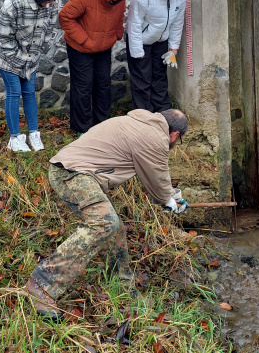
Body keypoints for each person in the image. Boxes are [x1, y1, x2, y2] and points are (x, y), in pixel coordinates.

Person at [24, 107, 189, 320]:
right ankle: (41, 284)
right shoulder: (156, 137)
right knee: (104, 222)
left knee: (115, 228)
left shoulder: (141, 124)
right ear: (175, 135)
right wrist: (169, 201)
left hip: (74, 170)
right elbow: (158, 179)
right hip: (72, 173)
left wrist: (173, 196)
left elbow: (153, 175)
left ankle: (121, 286)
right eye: (179, 141)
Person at [58, 0, 135, 134]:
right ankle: (82, 128)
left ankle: (102, 125)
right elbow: (65, 17)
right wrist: (85, 40)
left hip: (104, 46)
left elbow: (120, 15)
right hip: (79, 47)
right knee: (83, 86)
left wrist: (117, 34)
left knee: (103, 85)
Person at [0, 0, 62, 152]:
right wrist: (20, 60)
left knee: (30, 92)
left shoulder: (52, 4)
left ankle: (33, 134)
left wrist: (37, 51)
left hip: (31, 57)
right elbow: (3, 37)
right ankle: (14, 138)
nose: (52, 4)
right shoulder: (12, 5)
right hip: (9, 58)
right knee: (14, 92)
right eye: (49, 1)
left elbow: (49, 31)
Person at [125, 0, 191, 112]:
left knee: (160, 78)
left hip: (161, 40)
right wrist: (137, 51)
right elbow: (134, 23)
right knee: (142, 81)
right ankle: (142, 118)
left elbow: (178, 21)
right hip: (141, 40)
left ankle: (163, 115)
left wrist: (173, 48)